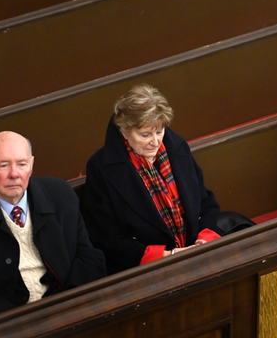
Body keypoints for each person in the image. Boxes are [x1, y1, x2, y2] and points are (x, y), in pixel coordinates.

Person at [0, 131, 106, 327]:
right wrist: (20, 322)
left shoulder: (60, 194)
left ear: (31, 165)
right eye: (3, 165)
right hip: (5, 326)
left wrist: (63, 306)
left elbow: (88, 258)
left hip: (67, 311)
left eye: (22, 164)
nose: (14, 174)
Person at [81, 84, 221, 274]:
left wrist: (204, 241)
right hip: (147, 269)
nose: (155, 142)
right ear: (124, 130)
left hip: (197, 252)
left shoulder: (177, 147)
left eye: (159, 131)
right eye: (145, 135)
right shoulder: (101, 168)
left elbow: (206, 202)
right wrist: (166, 256)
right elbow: (106, 238)